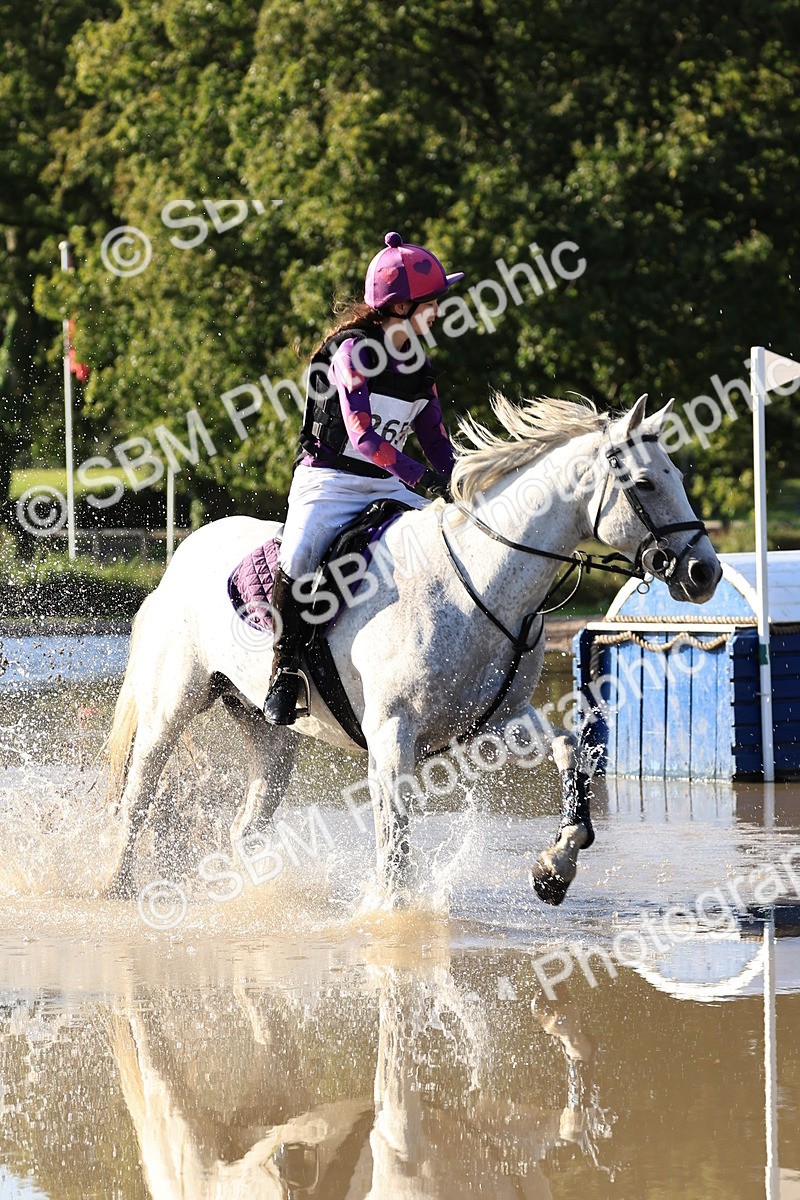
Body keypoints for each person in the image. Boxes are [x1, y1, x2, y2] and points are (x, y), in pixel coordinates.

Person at [263, 230, 464, 725]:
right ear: (400, 307)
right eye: (432, 301)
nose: (439, 310)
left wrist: (463, 483)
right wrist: (420, 477)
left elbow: (438, 443)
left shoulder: (420, 366)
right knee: (300, 554)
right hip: (329, 480)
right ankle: (284, 669)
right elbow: (364, 436)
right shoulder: (351, 352)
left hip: (388, 483)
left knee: (450, 544)